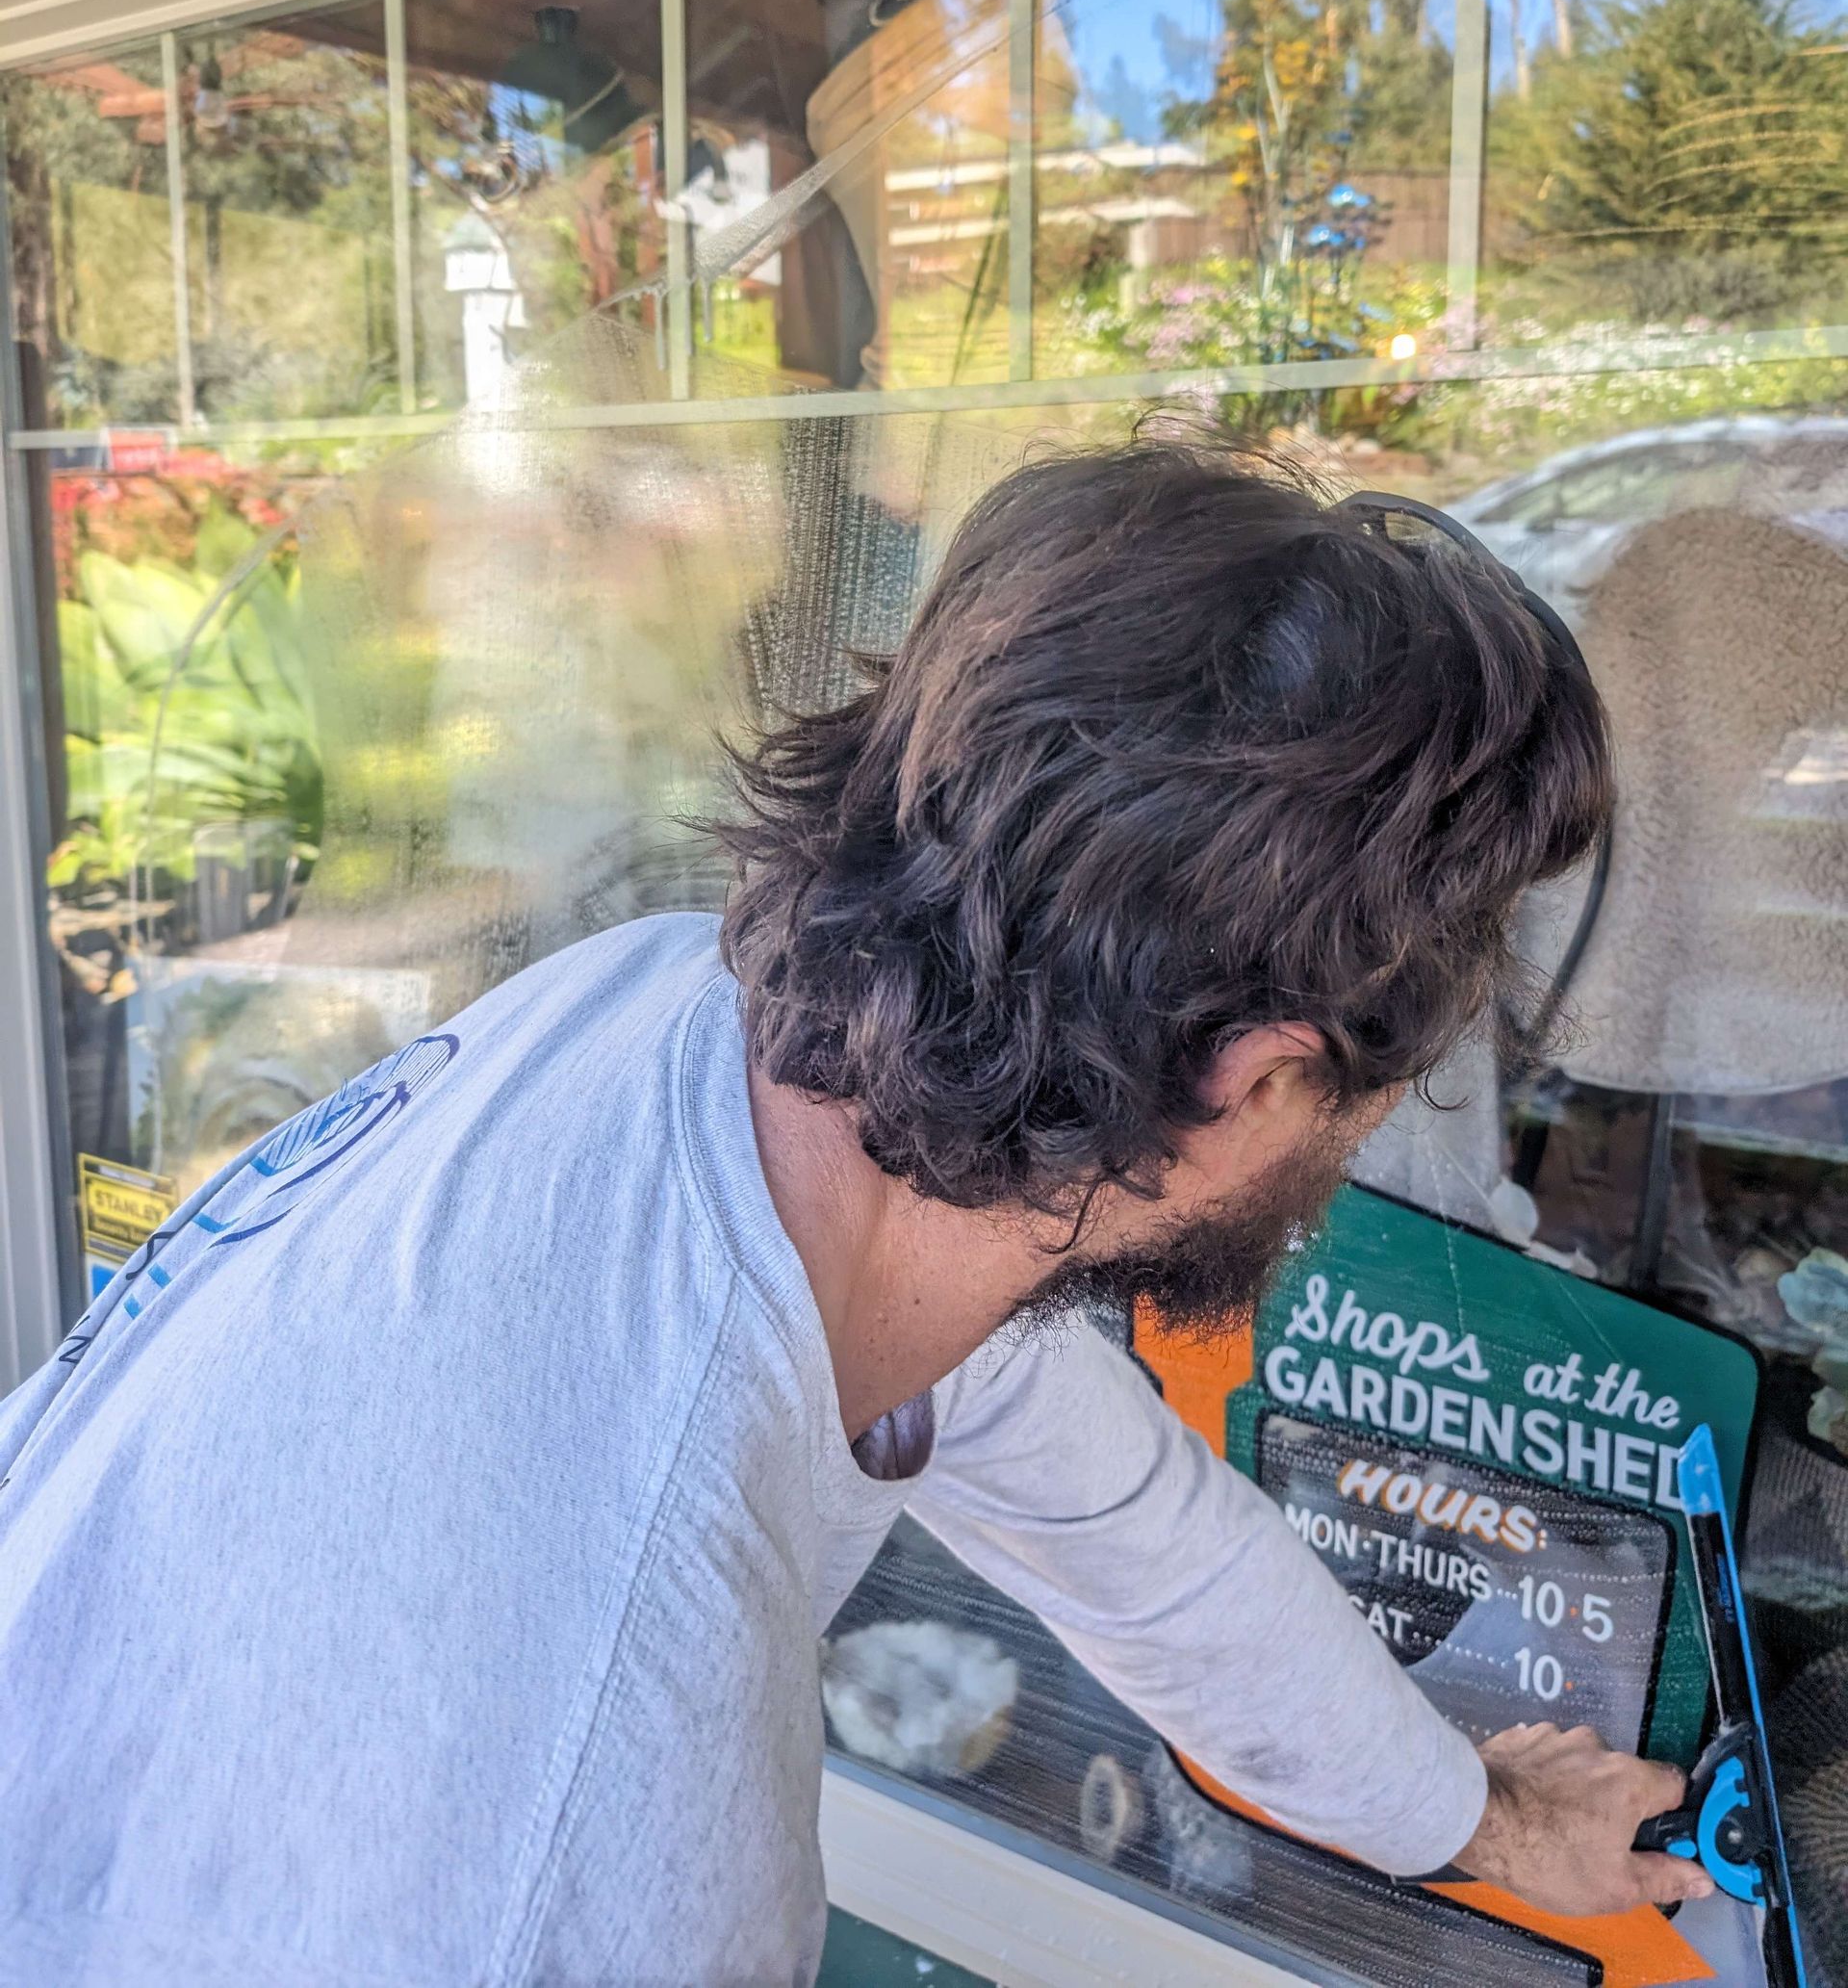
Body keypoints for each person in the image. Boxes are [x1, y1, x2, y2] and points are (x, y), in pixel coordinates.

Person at [0, 435, 1709, 1988]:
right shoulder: (606, 1846)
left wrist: (1470, 1815)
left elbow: (1143, 1543)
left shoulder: (700, 1044)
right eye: (1371, 1094)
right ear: (1257, 1085)